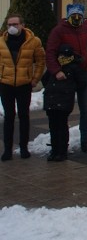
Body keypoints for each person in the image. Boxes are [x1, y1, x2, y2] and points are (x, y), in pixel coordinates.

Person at [45, 3, 87, 153]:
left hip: (83, 73)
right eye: (73, 16)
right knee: (63, 110)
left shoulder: (86, 29)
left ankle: (85, 141)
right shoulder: (58, 31)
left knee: (85, 110)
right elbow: (50, 52)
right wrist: (56, 71)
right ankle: (62, 144)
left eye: (79, 16)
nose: (76, 18)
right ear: (68, 16)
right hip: (65, 76)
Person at [0, 13, 45, 160]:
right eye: (10, 25)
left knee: (24, 116)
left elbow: (40, 61)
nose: (12, 27)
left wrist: (35, 79)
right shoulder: (1, 41)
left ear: (22, 25)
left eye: (15, 24)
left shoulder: (33, 41)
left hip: (24, 84)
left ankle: (24, 147)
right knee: (9, 117)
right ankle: (7, 149)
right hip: (6, 84)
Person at [43, 45, 81, 162]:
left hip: (64, 100)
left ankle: (62, 151)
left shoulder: (74, 67)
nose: (62, 57)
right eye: (61, 55)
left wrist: (68, 89)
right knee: (53, 126)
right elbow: (45, 79)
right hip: (51, 99)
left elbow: (81, 83)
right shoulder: (54, 67)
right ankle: (54, 150)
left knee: (62, 125)